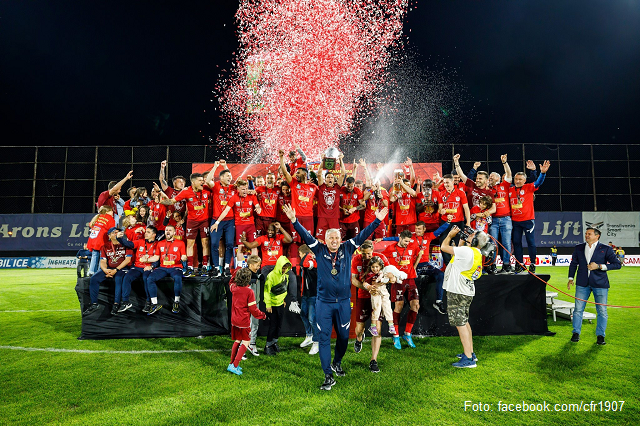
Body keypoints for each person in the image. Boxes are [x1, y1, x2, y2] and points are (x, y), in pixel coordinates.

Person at [283, 203, 388, 390]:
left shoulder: (347, 248)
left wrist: (377, 220)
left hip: (343, 303)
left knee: (342, 336)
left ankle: (337, 363)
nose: (334, 240)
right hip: (323, 303)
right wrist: (294, 220)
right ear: (325, 239)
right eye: (331, 237)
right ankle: (328, 375)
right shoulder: (319, 249)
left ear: (340, 239)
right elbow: (306, 236)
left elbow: (363, 235)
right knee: (324, 337)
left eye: (337, 237)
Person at [440, 225, 490, 368]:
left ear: (474, 241)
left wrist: (450, 235)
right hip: (465, 291)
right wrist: (462, 240)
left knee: (460, 324)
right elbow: (456, 257)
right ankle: (470, 352)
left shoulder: (467, 251)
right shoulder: (475, 252)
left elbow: (444, 247)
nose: (468, 236)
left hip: (458, 291)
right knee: (464, 322)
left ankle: (468, 359)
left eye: (470, 236)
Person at [568, 227, 621, 345]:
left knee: (602, 311)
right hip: (582, 284)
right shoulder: (579, 247)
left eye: (589, 234)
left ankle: (601, 336)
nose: (586, 235)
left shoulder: (606, 249)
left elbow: (617, 264)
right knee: (577, 310)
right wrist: (570, 278)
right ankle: (576, 333)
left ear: (597, 236)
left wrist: (599, 266)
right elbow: (573, 264)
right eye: (586, 234)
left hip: (600, 284)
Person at [161, 172, 211, 276]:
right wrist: (161, 201)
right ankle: (190, 268)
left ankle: (205, 267)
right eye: (200, 180)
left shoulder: (206, 188)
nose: (202, 182)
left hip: (204, 221)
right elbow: (171, 201)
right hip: (192, 222)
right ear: (193, 182)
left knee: (205, 243)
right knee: (190, 244)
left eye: (202, 180)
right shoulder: (186, 192)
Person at [351, 240, 389, 373]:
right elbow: (354, 279)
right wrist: (367, 287)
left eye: (369, 253)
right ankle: (359, 338)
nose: (367, 256)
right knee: (360, 328)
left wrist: (379, 285)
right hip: (363, 296)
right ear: (360, 251)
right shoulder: (356, 259)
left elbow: (389, 274)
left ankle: (373, 360)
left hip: (377, 297)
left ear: (373, 250)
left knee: (376, 329)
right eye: (364, 254)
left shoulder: (381, 258)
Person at [381, 230, 421, 349]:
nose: (407, 243)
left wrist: (414, 267)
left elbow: (419, 253)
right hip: (398, 281)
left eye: (409, 241)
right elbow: (383, 262)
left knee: (416, 306)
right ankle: (396, 335)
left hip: (411, 279)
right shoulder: (389, 249)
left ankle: (407, 334)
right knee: (399, 306)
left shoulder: (413, 245)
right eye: (405, 241)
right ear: (400, 238)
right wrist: (388, 275)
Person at [509, 160, 550, 274]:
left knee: (530, 242)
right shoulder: (511, 189)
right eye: (516, 179)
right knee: (516, 242)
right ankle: (519, 263)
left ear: (525, 180)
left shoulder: (529, 188)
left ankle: (532, 263)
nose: (517, 181)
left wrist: (542, 173)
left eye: (520, 179)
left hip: (527, 220)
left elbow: (538, 182)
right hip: (515, 221)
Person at [82, 227, 133, 316]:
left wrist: (116, 270)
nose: (116, 233)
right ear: (109, 236)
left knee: (118, 278)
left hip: (122, 269)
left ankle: (116, 304)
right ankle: (94, 304)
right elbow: (102, 261)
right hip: (109, 268)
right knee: (94, 279)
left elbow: (127, 260)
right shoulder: (105, 246)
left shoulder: (125, 244)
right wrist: (105, 270)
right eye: (114, 232)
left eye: (118, 232)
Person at [227, 267, 267, 376]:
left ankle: (231, 364)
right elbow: (253, 310)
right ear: (248, 279)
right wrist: (262, 315)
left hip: (234, 320)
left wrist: (237, 271)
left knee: (237, 340)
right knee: (246, 341)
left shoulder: (234, 288)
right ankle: (235, 365)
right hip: (243, 321)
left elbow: (231, 281)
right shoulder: (249, 291)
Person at [145, 225, 188, 315]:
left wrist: (184, 257)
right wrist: (147, 260)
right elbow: (156, 257)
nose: (167, 232)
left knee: (177, 277)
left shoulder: (180, 243)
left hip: (175, 267)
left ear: (174, 232)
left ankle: (176, 302)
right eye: (166, 230)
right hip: (163, 267)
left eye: (170, 230)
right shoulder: (160, 243)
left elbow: (183, 256)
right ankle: (154, 304)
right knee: (150, 278)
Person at [211, 179, 261, 255]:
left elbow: (258, 206)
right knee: (240, 247)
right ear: (238, 189)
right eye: (243, 189)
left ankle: (255, 265)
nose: (245, 191)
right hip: (239, 225)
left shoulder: (252, 196)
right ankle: (240, 266)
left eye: (246, 189)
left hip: (251, 225)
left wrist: (258, 209)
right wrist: (217, 222)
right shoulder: (234, 198)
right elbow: (225, 211)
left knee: (253, 246)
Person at [118, 226, 158, 314]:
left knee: (146, 278)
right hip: (137, 267)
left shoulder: (158, 244)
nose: (145, 233)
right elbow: (129, 244)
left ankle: (148, 302)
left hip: (148, 267)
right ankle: (125, 302)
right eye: (146, 232)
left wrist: (152, 266)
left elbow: (159, 259)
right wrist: (120, 238)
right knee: (127, 277)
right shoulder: (140, 241)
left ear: (154, 235)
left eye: (148, 232)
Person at [437, 174, 470, 266]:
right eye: (444, 183)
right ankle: (448, 264)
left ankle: (460, 264)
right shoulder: (441, 194)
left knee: (459, 243)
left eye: (447, 182)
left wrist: (468, 222)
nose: (446, 185)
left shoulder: (460, 193)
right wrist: (442, 211)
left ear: (452, 182)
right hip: (446, 223)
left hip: (458, 222)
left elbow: (466, 208)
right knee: (443, 242)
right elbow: (440, 209)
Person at [488, 154, 514, 274]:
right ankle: (492, 265)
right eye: (489, 177)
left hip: (506, 219)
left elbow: (509, 174)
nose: (490, 178)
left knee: (506, 243)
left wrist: (504, 163)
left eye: (492, 177)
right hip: (492, 220)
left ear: (498, 178)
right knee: (493, 244)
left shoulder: (504, 185)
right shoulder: (488, 189)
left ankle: (506, 265)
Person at [361, 257, 398, 337]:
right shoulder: (370, 274)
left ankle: (391, 324)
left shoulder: (384, 273)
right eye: (373, 267)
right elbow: (364, 283)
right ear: (370, 267)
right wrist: (369, 287)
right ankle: (373, 326)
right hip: (375, 292)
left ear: (381, 266)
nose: (375, 269)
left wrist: (391, 279)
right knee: (376, 308)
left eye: (377, 267)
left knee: (387, 307)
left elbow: (393, 278)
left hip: (384, 292)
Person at [263, 256, 293, 355]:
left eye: (286, 268)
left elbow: (283, 289)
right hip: (272, 305)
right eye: (283, 268)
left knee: (279, 325)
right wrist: (268, 305)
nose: (284, 270)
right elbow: (266, 291)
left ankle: (274, 343)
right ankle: (267, 346)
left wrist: (283, 300)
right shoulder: (271, 276)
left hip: (280, 304)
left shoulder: (285, 276)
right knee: (273, 325)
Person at [298, 245, 319, 355]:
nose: (299, 256)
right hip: (305, 294)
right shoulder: (309, 260)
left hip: (313, 294)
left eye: (300, 253)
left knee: (312, 319)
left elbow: (305, 264)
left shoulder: (313, 262)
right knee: (303, 314)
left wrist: (308, 255)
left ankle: (316, 342)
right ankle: (309, 336)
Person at [86, 206, 116, 276]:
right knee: (102, 256)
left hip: (93, 239)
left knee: (94, 255)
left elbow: (91, 225)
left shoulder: (97, 217)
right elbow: (112, 230)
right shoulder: (109, 218)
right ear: (106, 212)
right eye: (111, 211)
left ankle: (91, 271)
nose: (112, 212)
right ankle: (100, 271)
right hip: (101, 240)